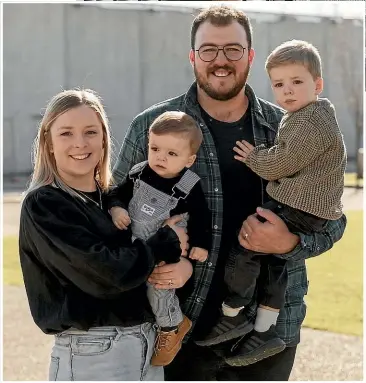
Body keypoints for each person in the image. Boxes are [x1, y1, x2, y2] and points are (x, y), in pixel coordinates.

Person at [112, 5, 347, 381]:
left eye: (233, 50)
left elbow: (334, 219)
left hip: (269, 336)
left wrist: (290, 243)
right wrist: (158, 251)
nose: (220, 61)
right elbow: (113, 216)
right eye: (208, 50)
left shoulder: (288, 127)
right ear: (192, 56)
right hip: (176, 333)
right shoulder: (152, 128)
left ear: (250, 56)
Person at [18, 89, 191, 381]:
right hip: (93, 352)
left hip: (148, 347)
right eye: (66, 133)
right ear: (47, 142)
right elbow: (108, 274)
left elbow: (146, 268)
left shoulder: (115, 200)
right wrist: (166, 242)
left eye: (90, 132)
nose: (79, 143)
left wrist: (183, 265)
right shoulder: (46, 204)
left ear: (103, 139)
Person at [196, 39, 346, 366]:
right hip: (306, 207)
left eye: (296, 82)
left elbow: (282, 163)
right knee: (273, 262)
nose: (287, 91)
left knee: (247, 246)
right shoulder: (305, 115)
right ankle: (265, 329)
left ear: (317, 85)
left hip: (300, 208)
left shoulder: (308, 120)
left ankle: (233, 311)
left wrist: (254, 156)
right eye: (279, 84)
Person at [107, 111, 212, 366]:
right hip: (134, 245)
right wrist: (117, 208)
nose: (160, 157)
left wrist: (200, 244)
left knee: (159, 287)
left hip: (165, 251)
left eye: (171, 154)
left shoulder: (188, 185)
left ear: (189, 160)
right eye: (155, 148)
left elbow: (201, 216)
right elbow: (116, 193)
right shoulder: (138, 173)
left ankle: (171, 326)